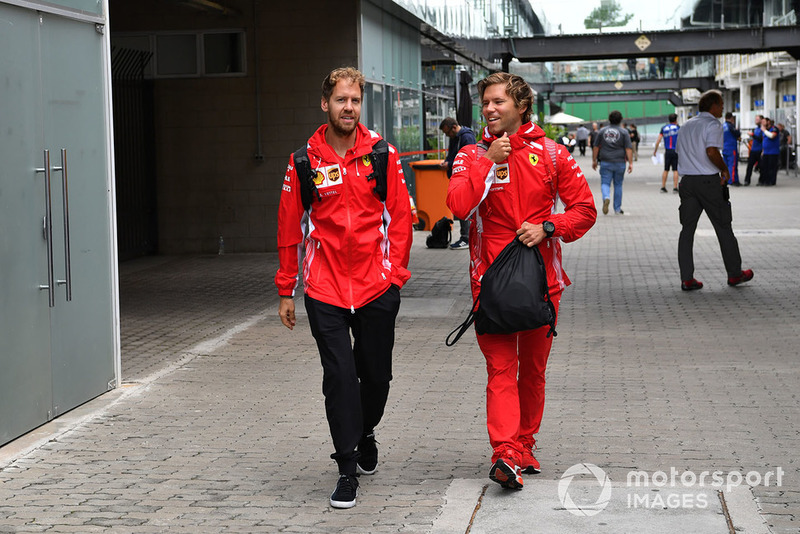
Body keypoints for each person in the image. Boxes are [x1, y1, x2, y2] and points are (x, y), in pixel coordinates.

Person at [446, 72, 596, 490]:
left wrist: (549, 226)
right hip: (488, 285)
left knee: (532, 372)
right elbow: (458, 205)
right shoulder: (471, 155)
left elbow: (584, 211)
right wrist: (488, 162)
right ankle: (505, 453)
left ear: (521, 106)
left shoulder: (552, 154)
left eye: (498, 102)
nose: (489, 110)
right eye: (485, 103)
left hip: (542, 285)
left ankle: (524, 445)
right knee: (500, 368)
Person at [275, 67, 413, 509]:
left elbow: (402, 220)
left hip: (376, 287)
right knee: (339, 378)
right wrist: (286, 288)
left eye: (355, 100)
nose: (348, 107)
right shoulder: (303, 161)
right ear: (325, 104)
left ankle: (366, 430)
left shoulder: (383, 154)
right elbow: (288, 228)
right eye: (341, 100)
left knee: (375, 377)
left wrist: (395, 277)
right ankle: (347, 466)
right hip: (325, 290)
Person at [675, 89, 753, 291]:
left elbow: (680, 153)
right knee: (723, 228)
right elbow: (711, 151)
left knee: (687, 231)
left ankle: (687, 278)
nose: (722, 108)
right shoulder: (712, 124)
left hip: (687, 183)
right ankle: (735, 274)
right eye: (721, 105)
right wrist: (725, 169)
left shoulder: (685, 126)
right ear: (714, 106)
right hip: (708, 183)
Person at [440, 117, 477, 249]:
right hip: (458, 176)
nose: (447, 135)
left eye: (447, 132)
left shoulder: (466, 137)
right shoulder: (456, 137)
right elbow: (453, 154)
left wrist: (449, 164)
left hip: (466, 178)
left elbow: (469, 158)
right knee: (461, 206)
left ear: (454, 127)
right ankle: (465, 237)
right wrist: (448, 162)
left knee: (465, 207)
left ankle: (466, 238)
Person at [593, 110, 633, 215]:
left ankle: (606, 197)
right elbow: (629, 148)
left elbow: (596, 147)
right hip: (620, 162)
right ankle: (617, 209)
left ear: (609, 119)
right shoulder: (624, 132)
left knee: (605, 183)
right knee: (618, 185)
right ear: (620, 120)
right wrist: (631, 163)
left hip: (605, 161)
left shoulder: (602, 131)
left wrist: (594, 160)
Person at [653, 113, 680, 193]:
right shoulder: (678, 128)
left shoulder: (664, 128)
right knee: (675, 170)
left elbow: (658, 141)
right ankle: (675, 188)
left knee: (666, 169)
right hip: (676, 151)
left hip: (668, 151)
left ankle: (663, 187)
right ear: (676, 120)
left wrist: (655, 150)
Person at [722, 112, 741, 185]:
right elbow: (737, 134)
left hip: (725, 147)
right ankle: (732, 180)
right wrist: (737, 130)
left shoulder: (722, 126)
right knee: (732, 165)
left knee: (725, 165)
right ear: (732, 118)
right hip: (731, 148)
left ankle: (725, 179)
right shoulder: (730, 126)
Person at [743, 114, 763, 186]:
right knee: (750, 166)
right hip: (753, 150)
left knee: (761, 166)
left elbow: (760, 139)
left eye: (757, 119)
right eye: (756, 119)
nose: (756, 121)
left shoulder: (762, 129)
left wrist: (752, 135)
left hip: (759, 150)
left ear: (761, 120)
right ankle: (747, 180)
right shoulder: (756, 129)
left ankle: (761, 181)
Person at [760, 117, 780, 186]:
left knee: (772, 167)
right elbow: (764, 141)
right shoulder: (765, 130)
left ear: (768, 122)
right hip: (766, 152)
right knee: (765, 167)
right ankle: (766, 181)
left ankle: (772, 181)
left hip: (773, 152)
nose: (762, 123)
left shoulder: (774, 129)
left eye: (763, 122)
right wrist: (763, 151)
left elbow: (772, 136)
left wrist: (764, 130)